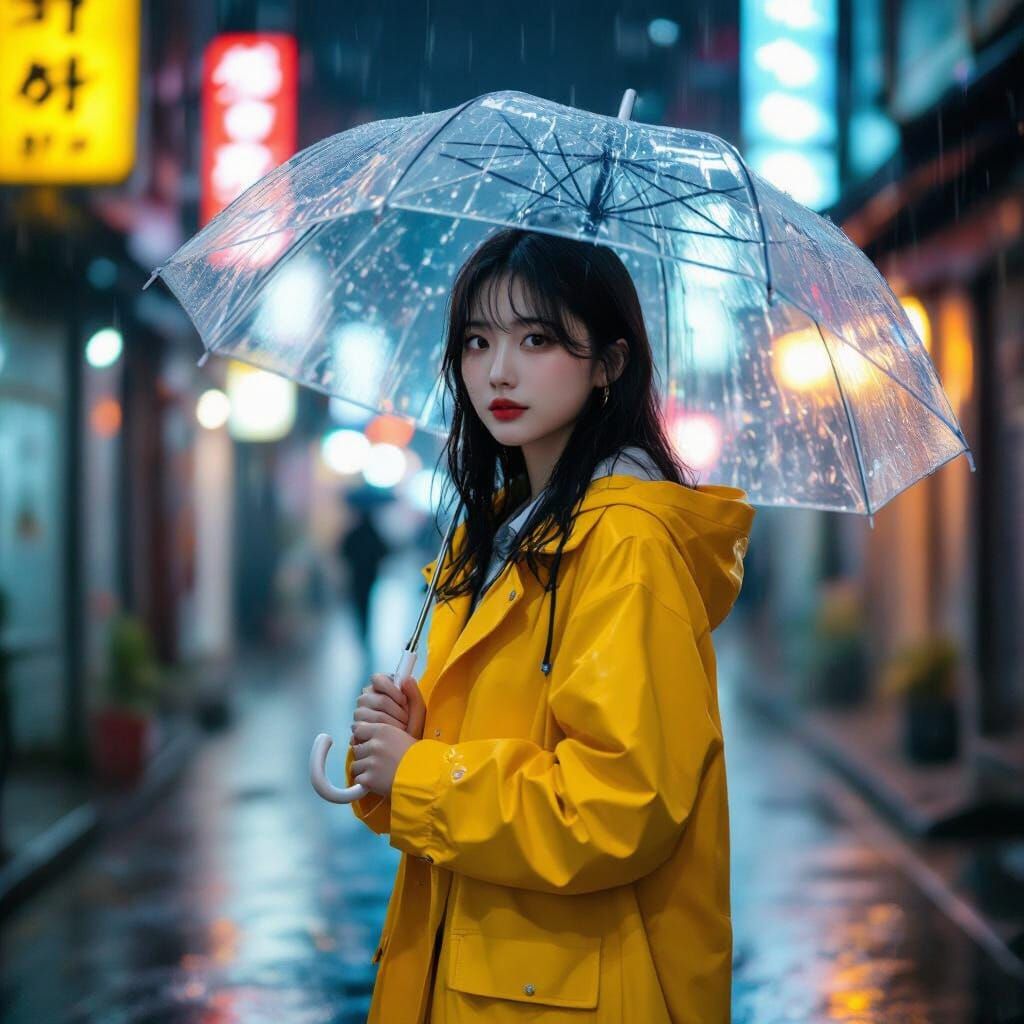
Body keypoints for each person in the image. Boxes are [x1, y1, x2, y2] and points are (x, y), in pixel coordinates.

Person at [345, 227, 755, 1023]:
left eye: (537, 338)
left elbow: (619, 806)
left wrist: (423, 777)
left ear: (610, 362)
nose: (497, 370)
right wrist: (415, 742)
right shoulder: (498, 537)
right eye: (477, 340)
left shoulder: (623, 545)